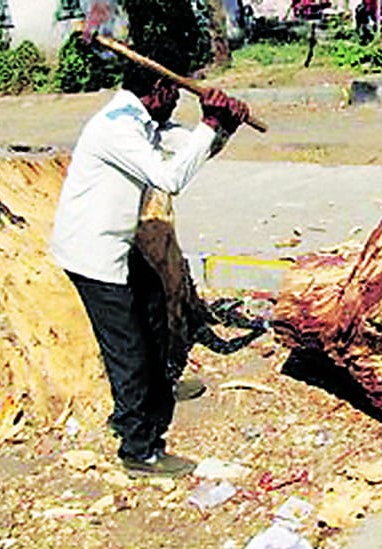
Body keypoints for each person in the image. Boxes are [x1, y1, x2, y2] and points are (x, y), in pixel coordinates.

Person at [50, 52, 250, 478]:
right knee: (127, 350)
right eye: (175, 94)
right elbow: (171, 179)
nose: (177, 102)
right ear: (159, 91)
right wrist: (210, 125)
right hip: (92, 253)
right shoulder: (117, 128)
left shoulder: (142, 120)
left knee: (155, 310)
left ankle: (161, 387)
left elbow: (189, 153)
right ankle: (138, 447)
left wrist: (222, 126)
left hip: (117, 245)